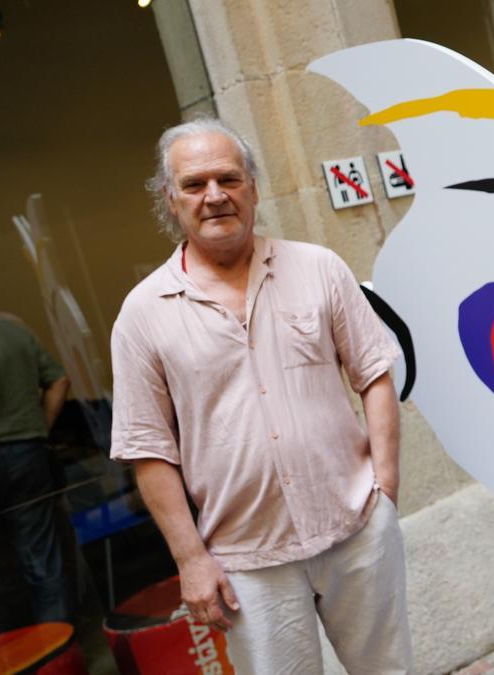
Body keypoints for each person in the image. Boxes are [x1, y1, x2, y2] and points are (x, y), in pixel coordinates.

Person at [110, 118, 410, 673]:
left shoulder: (319, 268)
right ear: (169, 199)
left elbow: (374, 374)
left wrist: (384, 492)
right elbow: (149, 449)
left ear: (253, 186)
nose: (215, 196)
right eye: (195, 184)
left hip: (356, 532)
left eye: (228, 178)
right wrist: (190, 559)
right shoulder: (142, 314)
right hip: (247, 563)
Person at [0, 312, 72, 629]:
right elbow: (59, 380)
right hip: (24, 452)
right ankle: (58, 656)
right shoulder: (13, 331)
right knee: (41, 557)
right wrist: (39, 427)